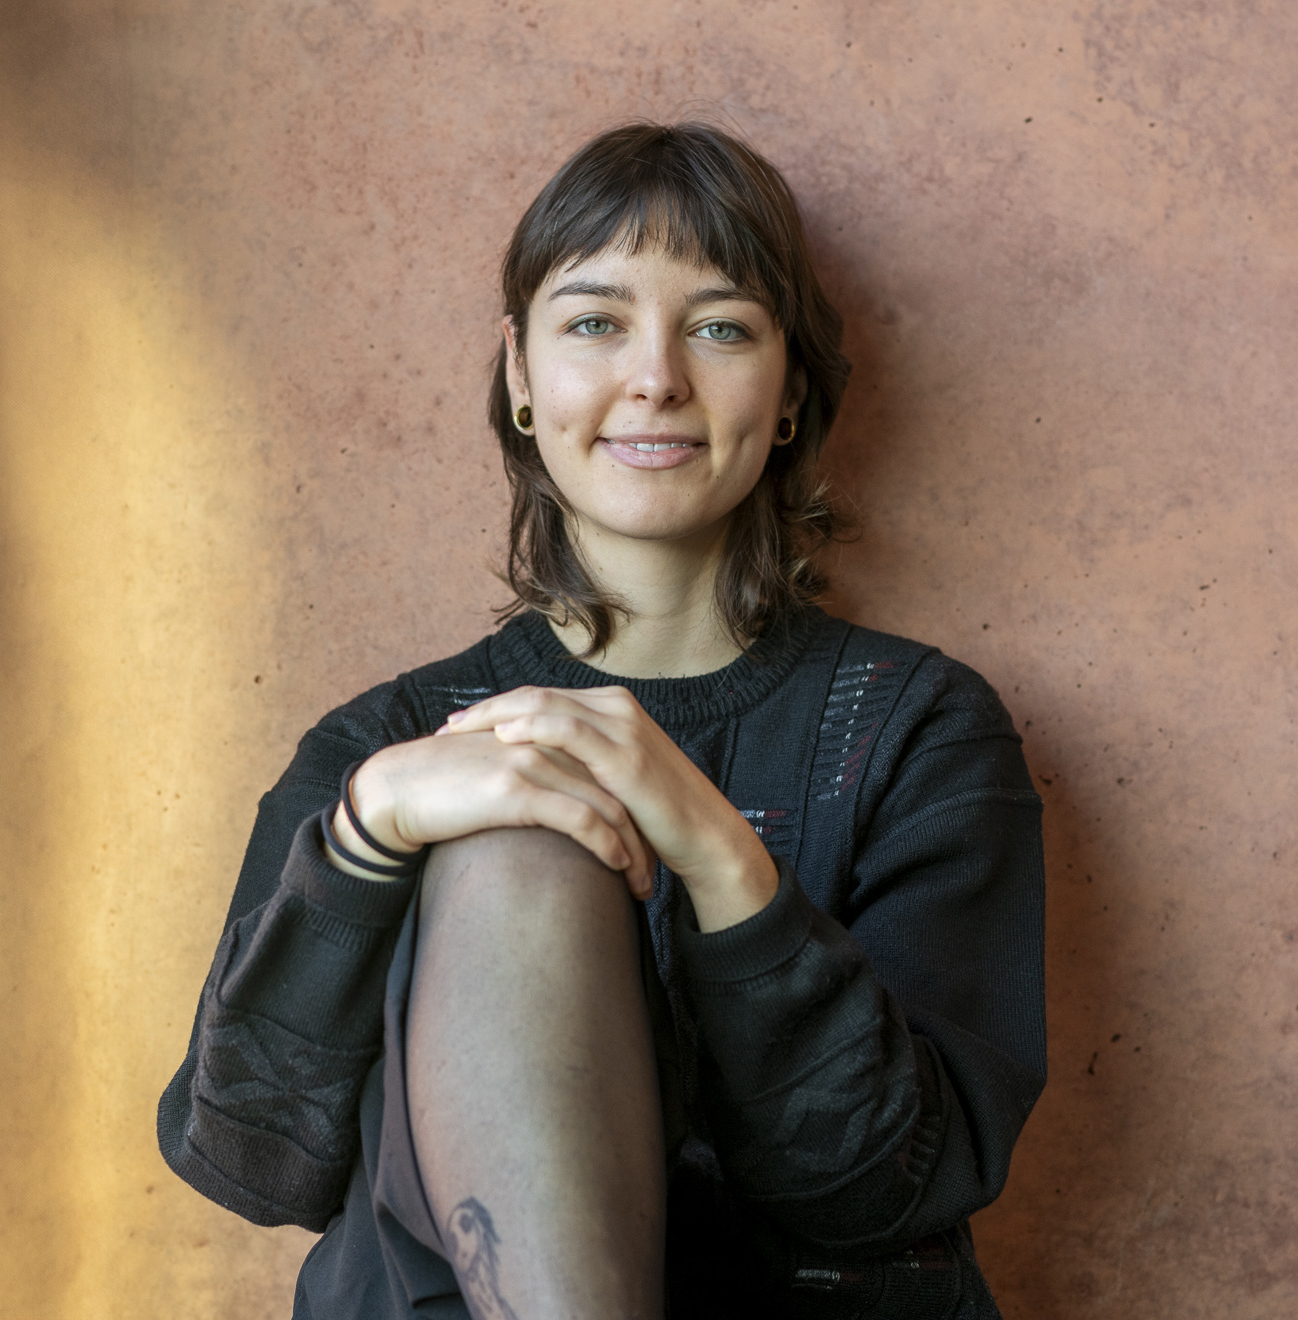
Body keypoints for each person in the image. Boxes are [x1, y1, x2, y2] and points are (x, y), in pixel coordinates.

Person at [158, 122, 1046, 1320]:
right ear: (522, 376)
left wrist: (722, 861)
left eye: (721, 328)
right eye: (594, 323)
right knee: (511, 844)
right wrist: (364, 841)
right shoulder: (390, 746)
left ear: (789, 390)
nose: (656, 377)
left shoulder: (919, 730)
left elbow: (891, 1187)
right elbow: (251, 1161)